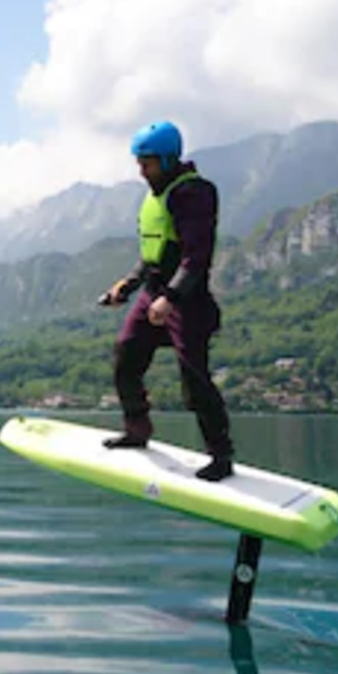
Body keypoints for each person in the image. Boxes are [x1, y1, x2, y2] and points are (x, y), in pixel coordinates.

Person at [96, 120, 235, 481]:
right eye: (139, 162)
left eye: (148, 162)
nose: (141, 170)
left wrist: (171, 297)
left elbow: (195, 258)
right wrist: (127, 285)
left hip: (187, 300)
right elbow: (155, 255)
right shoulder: (155, 196)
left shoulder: (193, 194)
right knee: (126, 355)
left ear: (170, 159)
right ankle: (137, 430)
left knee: (195, 380)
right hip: (154, 294)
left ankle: (221, 457)